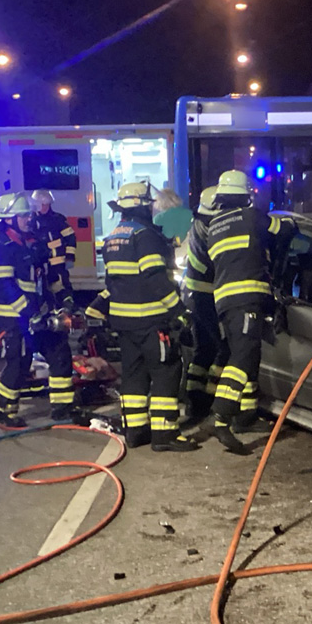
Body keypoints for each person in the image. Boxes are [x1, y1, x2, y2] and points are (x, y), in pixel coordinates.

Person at [87, 182, 196, 451]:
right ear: (141, 205)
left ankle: (135, 432)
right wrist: (179, 312)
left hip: (125, 323)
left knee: (134, 376)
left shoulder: (113, 238)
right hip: (151, 321)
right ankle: (165, 434)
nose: (151, 208)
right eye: (148, 204)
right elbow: (154, 278)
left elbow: (113, 284)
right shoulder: (145, 236)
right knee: (166, 371)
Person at [205, 169, 294, 454]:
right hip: (246, 299)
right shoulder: (251, 216)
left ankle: (246, 415)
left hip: (225, 301)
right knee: (242, 356)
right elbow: (283, 230)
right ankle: (222, 415)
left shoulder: (215, 225)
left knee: (249, 353)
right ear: (245, 196)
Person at [0, 193, 79, 428]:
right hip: (14, 317)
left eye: (29, 214)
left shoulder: (34, 244)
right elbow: (4, 287)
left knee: (59, 352)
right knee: (19, 362)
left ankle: (62, 406)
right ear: (8, 219)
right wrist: (30, 314)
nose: (29, 218)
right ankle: (4, 408)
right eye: (24, 215)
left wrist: (65, 299)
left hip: (39, 314)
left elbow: (49, 278)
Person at [182, 186, 224, 423]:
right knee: (221, 349)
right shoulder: (209, 228)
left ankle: (194, 399)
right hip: (208, 297)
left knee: (204, 349)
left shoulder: (197, 223)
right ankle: (210, 399)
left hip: (197, 296)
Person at [29, 189, 77, 310]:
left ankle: (67, 310)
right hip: (39, 264)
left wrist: (70, 256)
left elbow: (70, 237)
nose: (45, 207)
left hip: (57, 263)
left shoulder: (58, 220)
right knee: (41, 292)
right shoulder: (31, 221)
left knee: (62, 288)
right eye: (42, 205)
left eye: (47, 204)